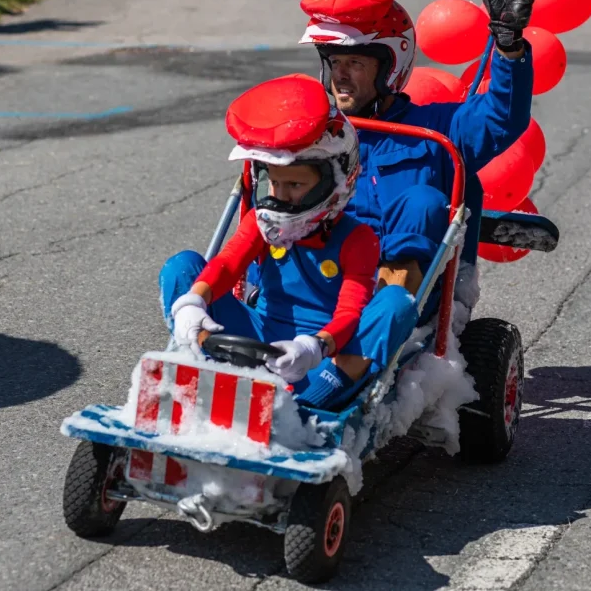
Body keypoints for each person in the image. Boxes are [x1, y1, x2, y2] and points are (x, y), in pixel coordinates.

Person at [297, 0, 543, 321]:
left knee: (421, 200)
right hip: (316, 284)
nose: (341, 75)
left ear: (390, 66)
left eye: (355, 63)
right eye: (335, 63)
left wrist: (509, 46)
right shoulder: (317, 131)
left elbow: (501, 118)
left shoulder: (435, 130)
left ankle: (378, 327)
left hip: (395, 310)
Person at [159, 75, 418, 411]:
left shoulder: (358, 239)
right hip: (256, 336)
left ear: (335, 181)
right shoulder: (260, 221)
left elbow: (350, 311)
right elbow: (226, 264)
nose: (281, 195)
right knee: (182, 268)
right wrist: (193, 302)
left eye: (295, 184)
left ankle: (309, 408)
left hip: (319, 358)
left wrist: (315, 347)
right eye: (275, 183)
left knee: (396, 303)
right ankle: (195, 360)